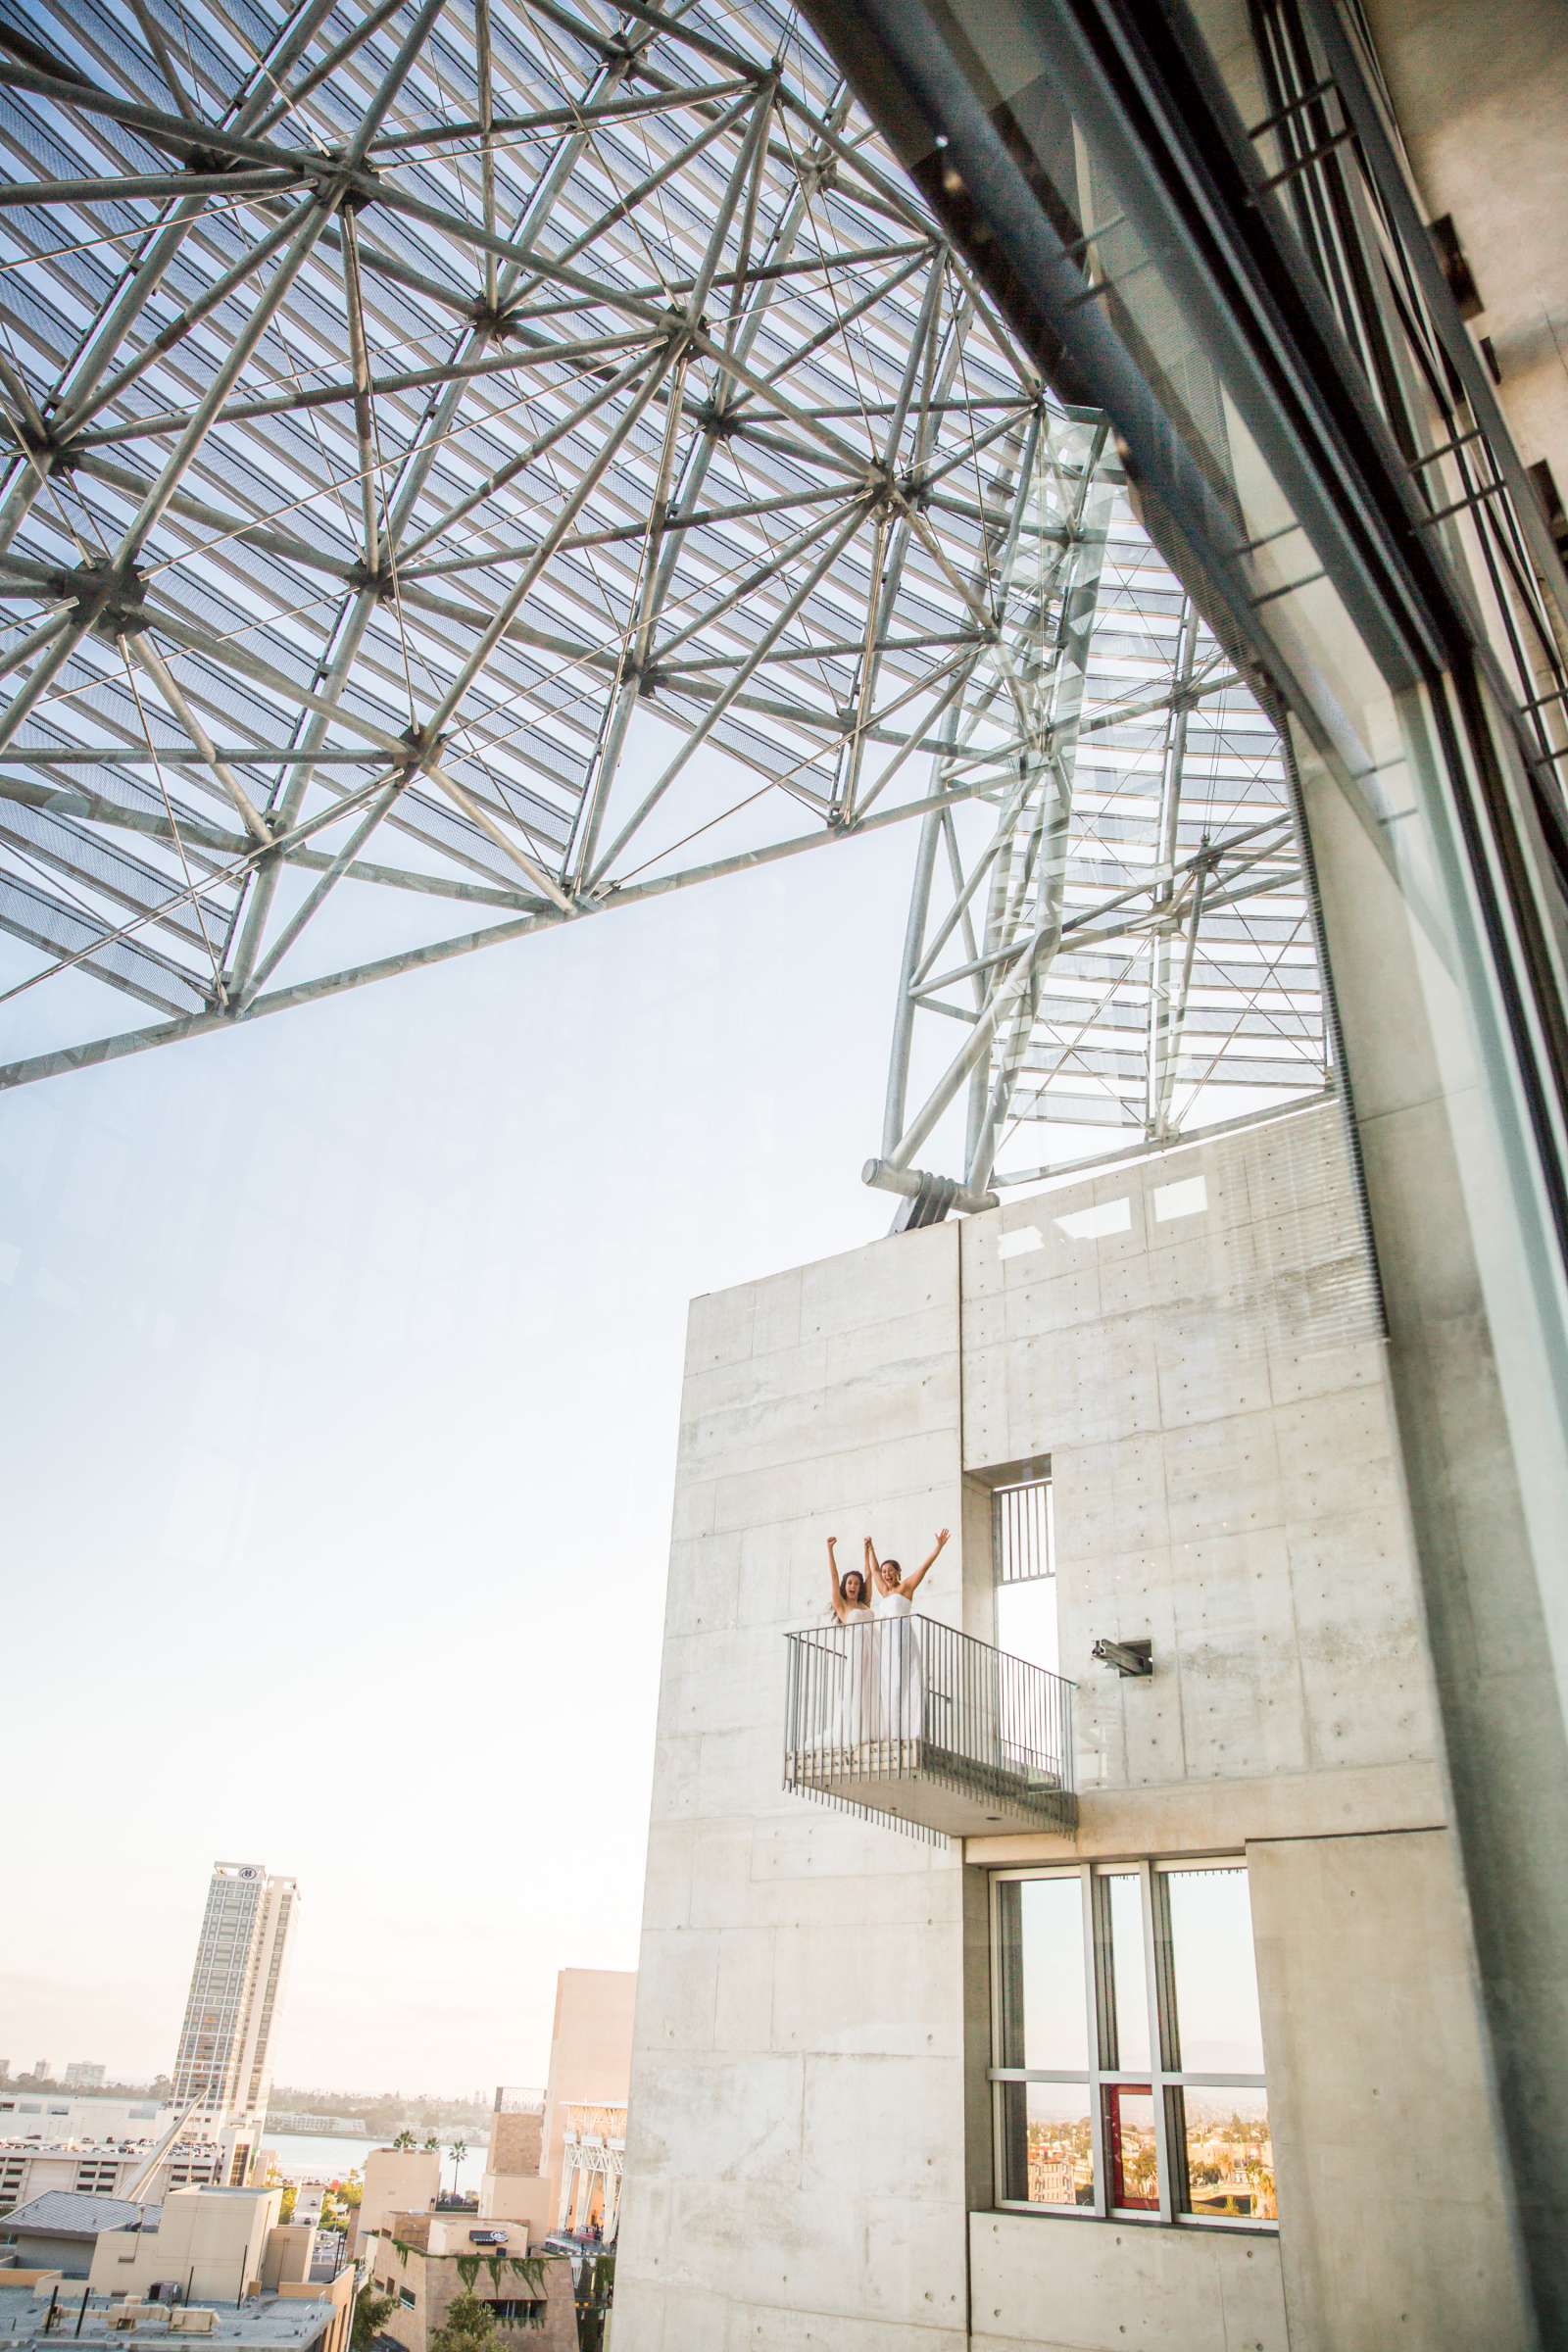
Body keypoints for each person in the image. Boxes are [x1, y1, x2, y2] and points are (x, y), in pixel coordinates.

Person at [865, 1529, 950, 1742]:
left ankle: (909, 1730)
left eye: (891, 1570)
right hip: (886, 1640)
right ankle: (891, 1730)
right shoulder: (884, 1592)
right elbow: (873, 1569)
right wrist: (870, 1548)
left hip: (902, 1638)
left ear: (898, 1572)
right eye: (885, 1571)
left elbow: (924, 1567)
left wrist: (938, 1547)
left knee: (905, 1681)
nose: (886, 1574)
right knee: (888, 1682)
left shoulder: (906, 1588)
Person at [825, 1536, 873, 1746]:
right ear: (845, 1586)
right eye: (850, 1583)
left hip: (873, 1650)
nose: (853, 1585)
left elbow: (870, 1576)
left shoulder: (865, 1604)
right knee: (855, 1689)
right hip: (857, 1651)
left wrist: (867, 1551)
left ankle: (870, 1729)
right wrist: (830, 1551)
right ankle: (852, 1732)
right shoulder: (843, 1606)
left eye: (856, 1583)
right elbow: (834, 1577)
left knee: (872, 1689)